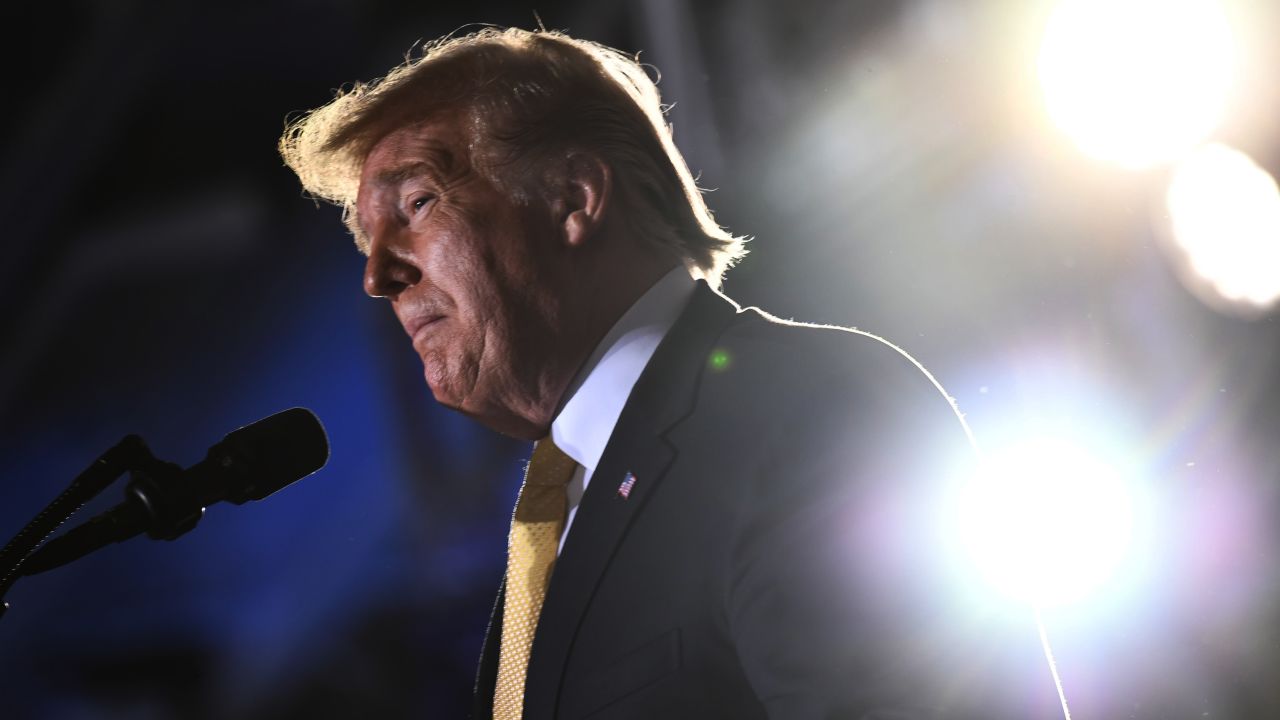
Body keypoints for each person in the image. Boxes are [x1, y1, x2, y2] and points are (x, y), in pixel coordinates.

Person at [280, 27, 1060, 720]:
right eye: (366, 241)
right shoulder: (563, 506)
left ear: (573, 198)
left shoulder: (793, 405)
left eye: (415, 204)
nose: (377, 276)